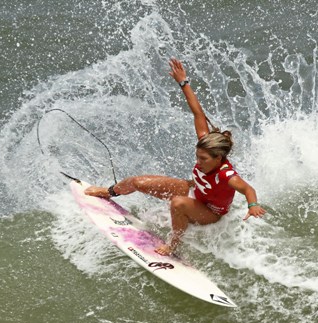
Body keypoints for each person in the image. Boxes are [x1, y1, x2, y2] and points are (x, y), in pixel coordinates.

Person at [85, 58, 267, 255]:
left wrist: (253, 205)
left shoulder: (227, 175)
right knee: (137, 182)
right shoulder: (205, 142)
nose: (199, 162)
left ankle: (173, 244)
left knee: (178, 203)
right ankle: (108, 192)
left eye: (204, 159)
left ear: (218, 157)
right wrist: (183, 82)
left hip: (210, 212)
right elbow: (197, 112)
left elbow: (247, 189)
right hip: (193, 190)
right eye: (198, 156)